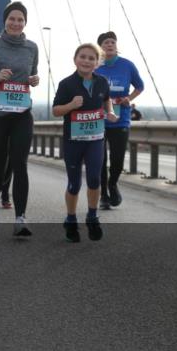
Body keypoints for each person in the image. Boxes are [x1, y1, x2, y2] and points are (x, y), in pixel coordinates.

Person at [0, 1, 40, 235]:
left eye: (20, 19)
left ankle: (20, 218)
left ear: (25, 23)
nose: (16, 23)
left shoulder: (32, 47)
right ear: (5, 21)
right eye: (12, 18)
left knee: (20, 164)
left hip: (22, 114)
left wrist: (34, 80)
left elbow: (31, 74)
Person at [53, 43, 118, 242]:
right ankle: (71, 219)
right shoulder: (66, 84)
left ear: (97, 63)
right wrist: (71, 105)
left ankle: (92, 217)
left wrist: (110, 111)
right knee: (74, 184)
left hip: (95, 140)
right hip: (73, 141)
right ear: (75, 59)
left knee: (94, 179)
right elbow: (56, 111)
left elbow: (107, 99)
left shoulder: (102, 82)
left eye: (91, 58)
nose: (86, 61)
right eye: (83, 56)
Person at [94, 31, 145, 210]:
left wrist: (129, 99)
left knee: (117, 159)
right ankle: (103, 195)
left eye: (112, 42)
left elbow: (140, 86)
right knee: (100, 159)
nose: (110, 45)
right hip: (99, 119)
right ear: (100, 47)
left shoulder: (127, 65)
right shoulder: (95, 66)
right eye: (106, 42)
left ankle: (113, 183)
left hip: (120, 119)